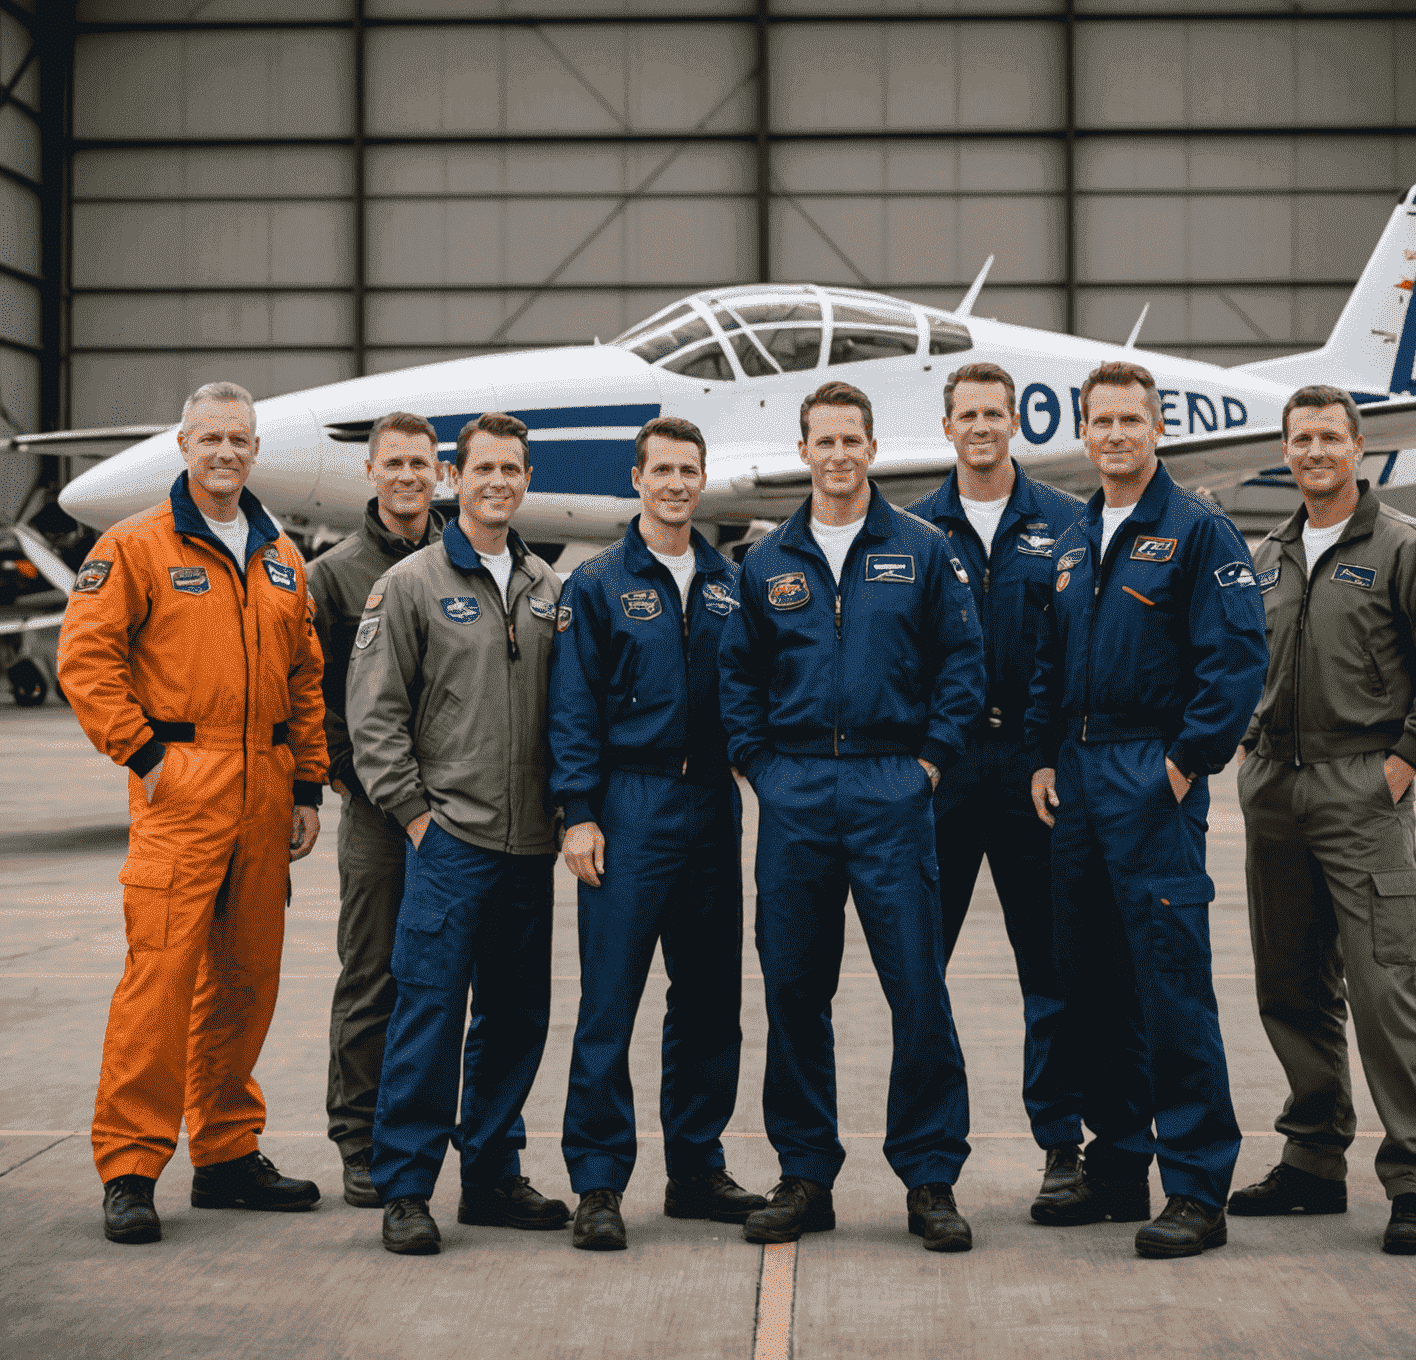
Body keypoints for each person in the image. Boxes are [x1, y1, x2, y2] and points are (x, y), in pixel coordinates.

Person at [58, 380, 327, 1246]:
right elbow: (87, 660)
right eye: (209, 437)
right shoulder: (134, 546)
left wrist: (308, 786)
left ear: (255, 451)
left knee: (245, 985)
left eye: (238, 440)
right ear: (183, 444)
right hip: (181, 788)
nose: (224, 453)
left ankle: (225, 1154)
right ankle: (132, 1167)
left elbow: (305, 680)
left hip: (264, 792)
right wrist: (146, 759)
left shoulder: (281, 555)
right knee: (159, 982)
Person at [718, 379, 985, 1253]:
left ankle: (931, 1174)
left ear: (873, 448)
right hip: (795, 794)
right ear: (804, 451)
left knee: (917, 983)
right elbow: (737, 681)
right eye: (823, 441)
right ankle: (804, 1173)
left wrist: (928, 764)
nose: (838, 456)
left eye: (852, 441)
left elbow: (962, 663)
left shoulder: (922, 548)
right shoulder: (766, 562)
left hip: (891, 789)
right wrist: (761, 767)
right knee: (795, 986)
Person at [1230, 383, 1416, 1256]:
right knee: (1290, 988)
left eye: (1329, 438)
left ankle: (1415, 1181)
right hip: (1274, 793)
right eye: (1301, 439)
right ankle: (1311, 1161)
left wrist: (1403, 765)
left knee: (1384, 990)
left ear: (1358, 447)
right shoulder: (1267, 556)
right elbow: (1235, 664)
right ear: (1287, 450)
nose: (1314, 453)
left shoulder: (1406, 547)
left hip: (1360, 788)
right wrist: (1243, 745)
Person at [1024, 360, 1267, 1259]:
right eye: (1102, 421)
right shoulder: (1075, 539)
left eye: (1132, 419)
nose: (1117, 434)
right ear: (1083, 434)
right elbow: (1049, 665)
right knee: (1092, 985)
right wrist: (1047, 757)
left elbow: (1237, 662)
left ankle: (1199, 1186)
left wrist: (1182, 766)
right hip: (1079, 781)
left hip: (1149, 772)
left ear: (1158, 428)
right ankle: (1120, 1164)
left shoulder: (1198, 531)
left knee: (1171, 985)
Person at [346, 412, 568, 1256]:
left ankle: (491, 1176)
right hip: (451, 847)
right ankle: (406, 1187)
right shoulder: (408, 585)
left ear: (525, 479)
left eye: (513, 469)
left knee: (515, 1020)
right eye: (484, 469)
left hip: (527, 852)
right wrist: (415, 817)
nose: (499, 482)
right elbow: (373, 717)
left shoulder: (548, 589)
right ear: (454, 478)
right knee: (428, 1018)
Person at [550, 416, 767, 1252]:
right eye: (661, 470)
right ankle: (599, 1182)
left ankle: (695, 1170)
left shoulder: (728, 582)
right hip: (628, 804)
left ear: (702, 480)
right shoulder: (598, 583)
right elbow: (571, 706)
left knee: (711, 999)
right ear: (636, 480)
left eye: (689, 470)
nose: (676, 484)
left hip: (713, 804)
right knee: (610, 1001)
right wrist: (578, 812)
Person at [906, 362, 1087, 1214]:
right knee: (921, 973)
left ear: (1017, 422)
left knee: (1050, 969)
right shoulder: (909, 532)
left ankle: (1061, 1146)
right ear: (945, 427)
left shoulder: (1065, 524)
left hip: (1031, 769)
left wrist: (1054, 753)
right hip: (940, 775)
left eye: (993, 412)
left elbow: (1079, 650)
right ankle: (931, 1161)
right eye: (965, 414)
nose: (980, 426)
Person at [309, 412, 446, 1208]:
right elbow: (318, 692)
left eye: (420, 463)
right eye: (392, 462)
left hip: (462, 812)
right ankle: (358, 1141)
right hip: (378, 814)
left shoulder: (460, 558)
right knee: (372, 976)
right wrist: (352, 778)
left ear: (441, 472)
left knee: (444, 981)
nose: (407, 475)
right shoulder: (335, 575)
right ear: (370, 473)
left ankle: (431, 1134)